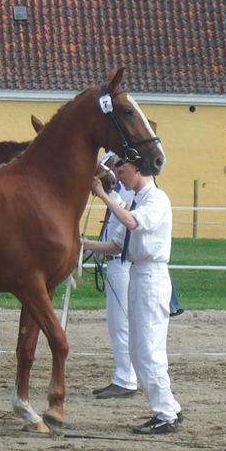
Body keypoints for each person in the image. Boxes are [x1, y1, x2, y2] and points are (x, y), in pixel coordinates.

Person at [81, 158, 183, 435]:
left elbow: (133, 223)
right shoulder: (136, 201)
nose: (118, 177)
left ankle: (165, 413)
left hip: (152, 276)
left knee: (148, 350)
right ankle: (168, 407)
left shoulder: (156, 200)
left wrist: (104, 196)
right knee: (139, 351)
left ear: (138, 169)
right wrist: (81, 244)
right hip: (139, 273)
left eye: (122, 171)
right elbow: (116, 246)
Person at [89, 154, 139, 399]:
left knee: (121, 322)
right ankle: (122, 375)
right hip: (113, 264)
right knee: (116, 323)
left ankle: (126, 378)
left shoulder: (124, 195)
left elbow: (121, 218)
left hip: (121, 264)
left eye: (112, 167)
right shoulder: (119, 193)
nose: (112, 173)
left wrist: (84, 244)